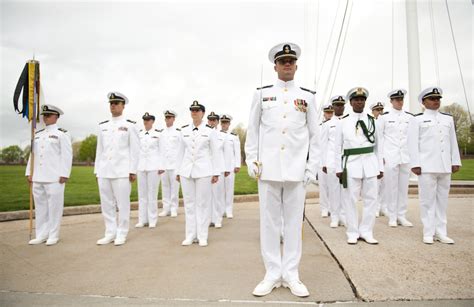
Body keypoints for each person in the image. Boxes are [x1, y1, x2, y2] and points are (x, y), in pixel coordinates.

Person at [245, 42, 319, 297]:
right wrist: (251, 160)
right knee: (269, 223)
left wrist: (312, 167)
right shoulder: (261, 94)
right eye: (282, 61)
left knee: (293, 223)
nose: (287, 65)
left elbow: (315, 135)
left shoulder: (308, 96)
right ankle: (272, 273)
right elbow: (253, 130)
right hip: (268, 170)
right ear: (275, 66)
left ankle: (292, 274)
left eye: (290, 61)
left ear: (296, 66)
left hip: (297, 170)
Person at [408, 87, 461, 244]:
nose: (436, 101)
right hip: (426, 165)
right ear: (423, 102)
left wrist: (455, 161)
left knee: (442, 200)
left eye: (438, 98)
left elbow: (453, 141)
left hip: (445, 165)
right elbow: (412, 143)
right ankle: (428, 232)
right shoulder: (416, 119)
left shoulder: (447, 119)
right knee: (427, 200)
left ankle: (441, 232)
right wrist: (415, 164)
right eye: (432, 98)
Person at [335, 87, 383, 245]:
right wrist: (338, 168)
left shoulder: (373, 120)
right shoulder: (343, 122)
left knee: (371, 199)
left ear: (365, 102)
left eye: (362, 100)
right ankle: (352, 232)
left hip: (370, 163)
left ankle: (367, 231)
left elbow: (379, 146)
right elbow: (337, 147)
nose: (359, 102)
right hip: (351, 164)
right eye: (356, 100)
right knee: (350, 200)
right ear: (350, 102)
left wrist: (380, 167)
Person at [95, 92, 139, 246]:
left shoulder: (130, 125)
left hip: (121, 171)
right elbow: (99, 150)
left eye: (116, 103)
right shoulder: (103, 126)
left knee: (123, 204)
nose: (113, 105)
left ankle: (121, 232)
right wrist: (97, 170)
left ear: (123, 106)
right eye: (111, 103)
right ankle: (110, 232)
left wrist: (133, 170)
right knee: (106, 203)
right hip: (104, 170)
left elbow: (135, 150)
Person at [26, 104, 72, 246]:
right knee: (40, 207)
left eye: (48, 115)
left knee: (54, 207)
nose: (45, 117)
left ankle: (53, 234)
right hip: (38, 176)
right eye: (44, 115)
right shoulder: (38, 134)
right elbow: (32, 155)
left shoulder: (62, 134)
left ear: (56, 117)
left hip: (54, 177)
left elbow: (67, 155)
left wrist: (64, 173)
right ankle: (41, 234)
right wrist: (29, 172)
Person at [176, 101, 221, 247]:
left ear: (202, 113)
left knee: (202, 204)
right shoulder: (183, 130)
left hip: (204, 171)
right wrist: (178, 171)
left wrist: (216, 172)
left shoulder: (210, 131)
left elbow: (215, 153)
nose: (194, 112)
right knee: (189, 204)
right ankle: (190, 235)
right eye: (192, 110)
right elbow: (180, 153)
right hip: (186, 171)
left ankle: (202, 235)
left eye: (197, 110)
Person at [377, 89, 414, 227]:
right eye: (397, 99)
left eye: (401, 99)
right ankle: (392, 216)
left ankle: (402, 215)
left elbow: (411, 138)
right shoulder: (384, 117)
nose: (400, 102)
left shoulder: (410, 117)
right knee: (391, 188)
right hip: (390, 156)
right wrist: (381, 158)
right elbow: (379, 139)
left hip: (405, 156)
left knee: (403, 188)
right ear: (391, 101)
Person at [321, 95, 346, 228]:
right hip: (331, 161)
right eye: (337, 105)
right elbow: (323, 144)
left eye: (341, 105)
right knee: (334, 190)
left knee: (346, 191)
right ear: (333, 107)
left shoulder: (349, 121)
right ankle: (335, 216)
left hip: (347, 161)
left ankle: (344, 215)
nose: (339, 107)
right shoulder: (328, 125)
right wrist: (323, 163)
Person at [136, 112, 164, 228]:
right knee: (142, 194)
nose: (146, 121)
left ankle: (152, 219)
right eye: (144, 120)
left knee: (152, 193)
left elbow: (162, 151)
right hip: (141, 166)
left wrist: (161, 166)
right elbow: (136, 151)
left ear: (152, 121)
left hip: (153, 167)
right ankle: (142, 220)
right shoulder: (139, 134)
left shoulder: (158, 134)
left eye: (148, 120)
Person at [207, 111, 229, 228]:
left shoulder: (222, 136)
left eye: (214, 120)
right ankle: (210, 218)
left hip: (218, 168)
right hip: (206, 169)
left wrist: (227, 168)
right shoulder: (204, 133)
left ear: (217, 122)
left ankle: (218, 218)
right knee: (207, 195)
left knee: (217, 195)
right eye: (210, 120)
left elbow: (227, 153)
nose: (211, 122)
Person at [159, 110, 181, 218]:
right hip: (164, 165)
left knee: (174, 188)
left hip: (175, 164)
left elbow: (181, 150)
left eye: (170, 117)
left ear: (173, 119)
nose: (168, 119)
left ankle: (173, 208)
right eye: (166, 117)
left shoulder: (178, 132)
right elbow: (159, 150)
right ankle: (165, 209)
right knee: (165, 187)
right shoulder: (161, 133)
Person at [220, 114, 241, 219]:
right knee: (219, 190)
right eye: (222, 122)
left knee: (229, 189)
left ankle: (228, 210)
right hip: (219, 168)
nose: (224, 124)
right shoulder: (216, 134)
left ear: (229, 124)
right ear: (220, 123)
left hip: (230, 167)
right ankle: (220, 210)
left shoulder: (233, 136)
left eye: (226, 122)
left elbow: (237, 152)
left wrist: (237, 165)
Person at [370, 101, 387, 218]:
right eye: (377, 110)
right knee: (376, 185)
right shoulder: (371, 123)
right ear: (373, 112)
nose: (380, 112)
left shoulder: (386, 121)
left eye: (381, 109)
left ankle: (383, 207)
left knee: (386, 185)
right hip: (375, 157)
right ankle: (375, 208)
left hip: (388, 156)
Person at [318, 104, 334, 218]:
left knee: (333, 186)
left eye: (331, 112)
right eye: (327, 112)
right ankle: (324, 208)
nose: (329, 114)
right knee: (323, 186)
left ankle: (333, 208)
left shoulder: (337, 125)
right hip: (320, 160)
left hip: (332, 160)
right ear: (324, 113)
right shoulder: (319, 126)